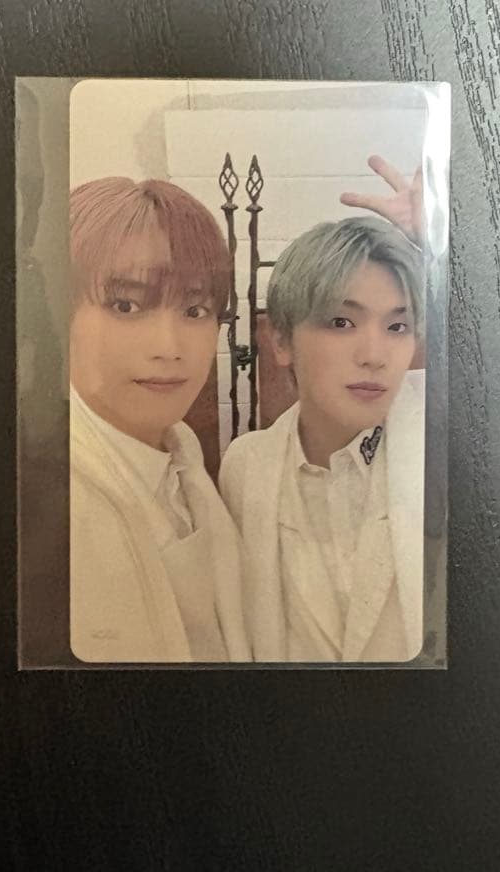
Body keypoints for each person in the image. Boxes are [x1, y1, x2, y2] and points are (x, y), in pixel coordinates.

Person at [219, 157, 425, 662]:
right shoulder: (246, 467)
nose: (375, 355)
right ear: (281, 340)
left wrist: (444, 247)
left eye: (397, 326)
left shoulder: (444, 440)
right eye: (341, 322)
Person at [69, 177, 250, 663]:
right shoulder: (46, 500)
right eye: (126, 306)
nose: (169, 348)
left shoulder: (182, 458)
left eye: (195, 309)